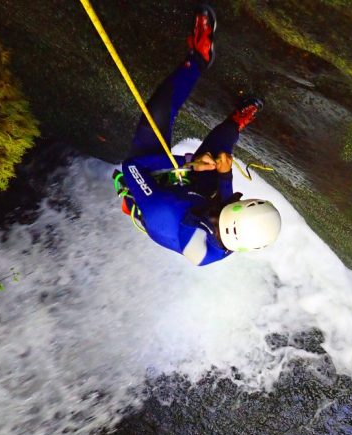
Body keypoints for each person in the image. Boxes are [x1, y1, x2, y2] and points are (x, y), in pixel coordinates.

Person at [120, 4, 281, 266]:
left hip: (158, 194)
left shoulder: (165, 211)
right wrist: (224, 174)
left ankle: (198, 57)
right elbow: (226, 206)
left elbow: (132, 167)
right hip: (196, 200)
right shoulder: (236, 234)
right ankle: (235, 123)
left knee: (156, 114)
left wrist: (188, 162)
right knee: (220, 151)